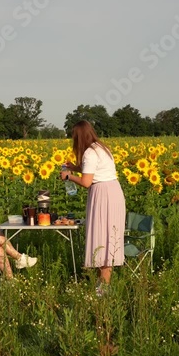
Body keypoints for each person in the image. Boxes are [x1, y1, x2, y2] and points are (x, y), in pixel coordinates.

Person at [60, 120, 125, 293]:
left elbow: (86, 181)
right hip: (113, 191)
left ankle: (103, 289)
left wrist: (68, 177)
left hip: (103, 195)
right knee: (108, 237)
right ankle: (103, 285)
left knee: (103, 238)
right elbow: (93, 169)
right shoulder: (101, 148)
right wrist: (75, 167)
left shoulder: (89, 152)